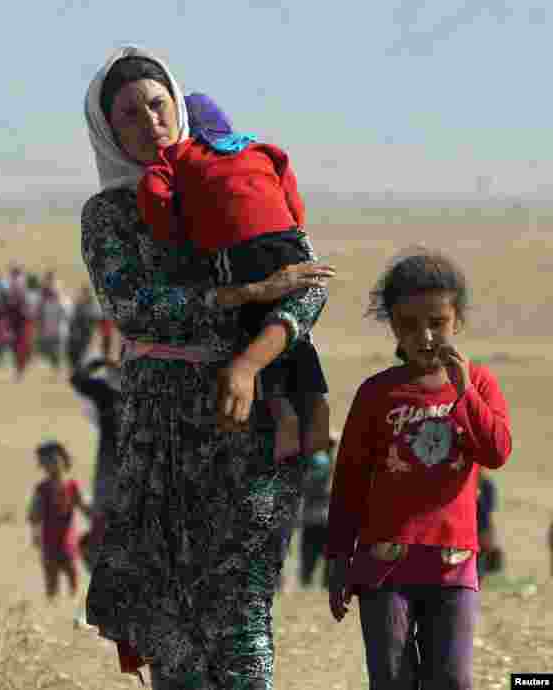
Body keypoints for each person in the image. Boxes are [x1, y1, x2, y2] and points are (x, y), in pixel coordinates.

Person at [81, 46, 335, 687]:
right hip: (156, 436)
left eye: (158, 105)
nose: (150, 123)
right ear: (109, 130)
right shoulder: (109, 214)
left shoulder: (230, 176)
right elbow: (134, 309)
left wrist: (251, 358)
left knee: (240, 607)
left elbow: (306, 284)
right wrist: (239, 295)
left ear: (178, 105)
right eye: (130, 116)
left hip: (246, 425)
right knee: (168, 618)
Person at [326, 250, 512, 690]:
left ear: (457, 320)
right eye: (408, 325)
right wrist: (338, 558)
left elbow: (496, 452)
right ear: (392, 325)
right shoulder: (377, 393)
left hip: (453, 565)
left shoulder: (480, 385)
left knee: (453, 679)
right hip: (384, 566)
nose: (425, 336)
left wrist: (465, 392)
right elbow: (350, 480)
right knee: (391, 679)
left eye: (437, 322)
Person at [136, 92, 331, 464]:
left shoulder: (179, 155)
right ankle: (317, 415)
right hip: (287, 241)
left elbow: (154, 194)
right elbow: (292, 196)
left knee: (252, 324)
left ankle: (283, 417)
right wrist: (290, 230)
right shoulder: (262, 149)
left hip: (238, 250)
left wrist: (180, 232)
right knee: (296, 334)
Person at [69, 358, 121, 572]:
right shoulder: (106, 393)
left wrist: (100, 364)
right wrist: (100, 362)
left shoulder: (108, 394)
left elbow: (77, 379)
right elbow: (77, 379)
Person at [28, 441, 91, 601]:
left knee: (72, 575)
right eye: (47, 462)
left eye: (55, 461)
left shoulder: (72, 486)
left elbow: (84, 507)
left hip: (68, 541)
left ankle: (73, 603)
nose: (52, 466)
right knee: (51, 578)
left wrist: (96, 518)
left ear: (64, 460)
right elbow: (34, 514)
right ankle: (52, 604)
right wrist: (35, 534)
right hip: (49, 542)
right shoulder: (41, 489)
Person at [298, 433, 337, 588]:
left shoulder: (319, 461)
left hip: (317, 518)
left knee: (312, 560)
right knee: (319, 560)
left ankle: (311, 586)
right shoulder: (321, 461)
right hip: (320, 517)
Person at [476, 470, 503, 579]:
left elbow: (488, 513)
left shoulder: (487, 485)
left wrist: (490, 536)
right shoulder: (486, 484)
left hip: (482, 531)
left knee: (479, 569)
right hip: (469, 533)